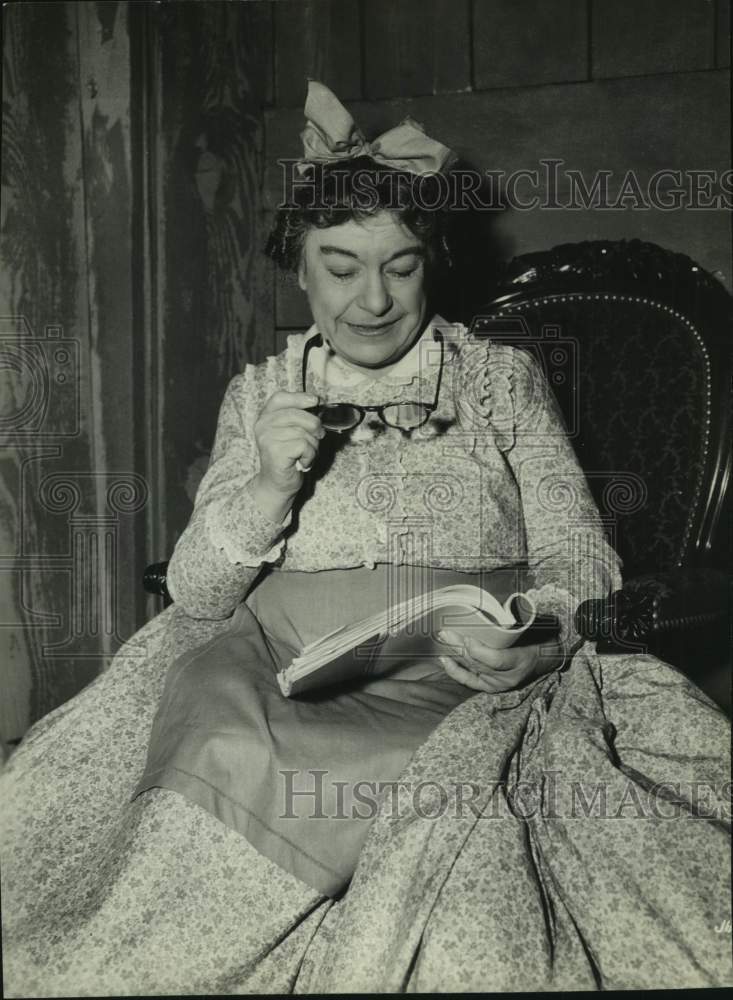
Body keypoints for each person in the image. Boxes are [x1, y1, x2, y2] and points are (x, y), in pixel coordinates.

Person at [1, 82, 730, 997]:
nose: (373, 299)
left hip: (462, 675)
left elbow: (580, 556)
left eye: (401, 266)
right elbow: (198, 593)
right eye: (341, 267)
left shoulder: (499, 380)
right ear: (298, 268)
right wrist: (268, 483)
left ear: (433, 264)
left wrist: (539, 636)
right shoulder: (259, 392)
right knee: (211, 757)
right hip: (278, 671)